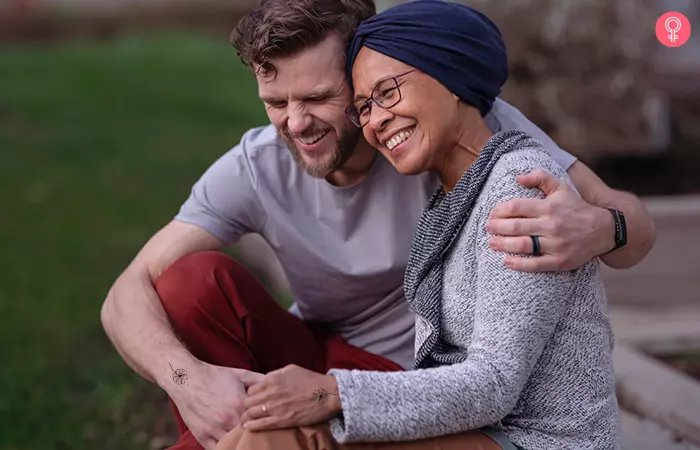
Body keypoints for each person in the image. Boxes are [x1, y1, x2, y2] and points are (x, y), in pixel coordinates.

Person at [99, 0, 652, 449]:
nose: (296, 123)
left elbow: (628, 225)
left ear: (362, 65)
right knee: (189, 285)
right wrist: (189, 382)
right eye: (275, 101)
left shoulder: (474, 133)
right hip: (334, 361)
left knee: (273, 437)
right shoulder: (258, 164)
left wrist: (603, 228)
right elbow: (125, 294)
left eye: (319, 97)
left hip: (430, 385)